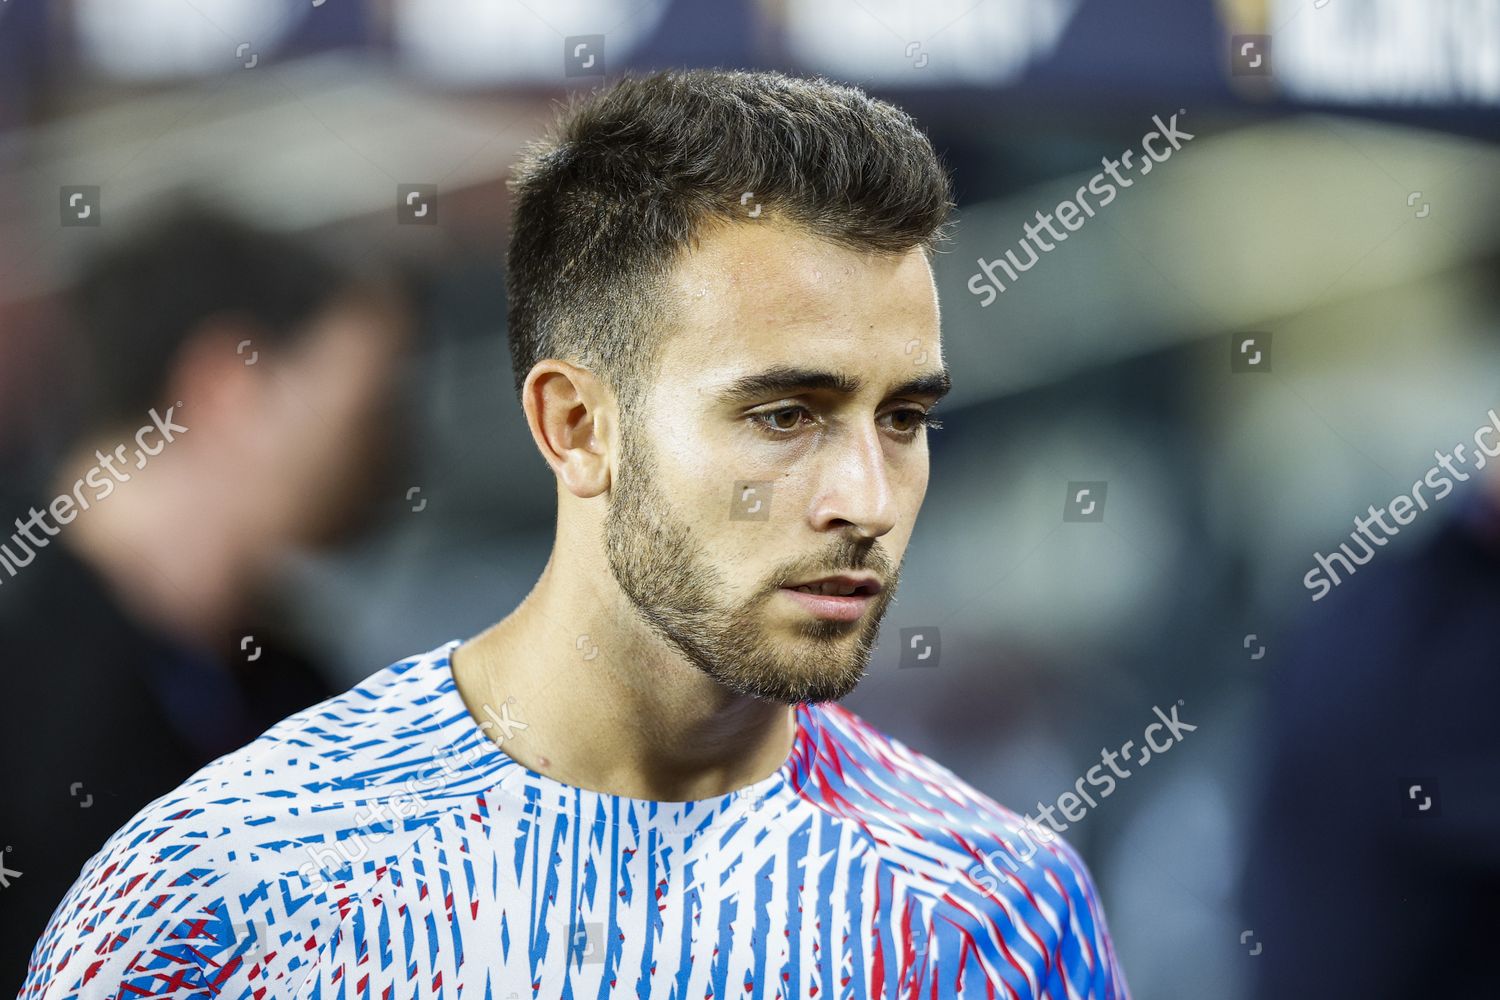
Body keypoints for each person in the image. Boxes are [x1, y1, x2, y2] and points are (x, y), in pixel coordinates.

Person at [20, 70, 1129, 998]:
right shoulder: (232, 889)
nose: (867, 497)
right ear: (577, 424)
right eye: (783, 414)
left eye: (903, 419)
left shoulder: (992, 916)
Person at [3, 204, 411, 991]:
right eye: (365, 408)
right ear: (228, 386)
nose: (386, 451)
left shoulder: (288, 685)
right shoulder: (25, 694)